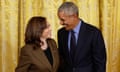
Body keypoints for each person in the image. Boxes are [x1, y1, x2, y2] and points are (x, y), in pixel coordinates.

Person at [57, 2, 106, 72]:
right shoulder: (61, 33)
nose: (61, 23)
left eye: (63, 20)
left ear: (73, 16)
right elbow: (61, 59)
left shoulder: (94, 33)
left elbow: (100, 63)